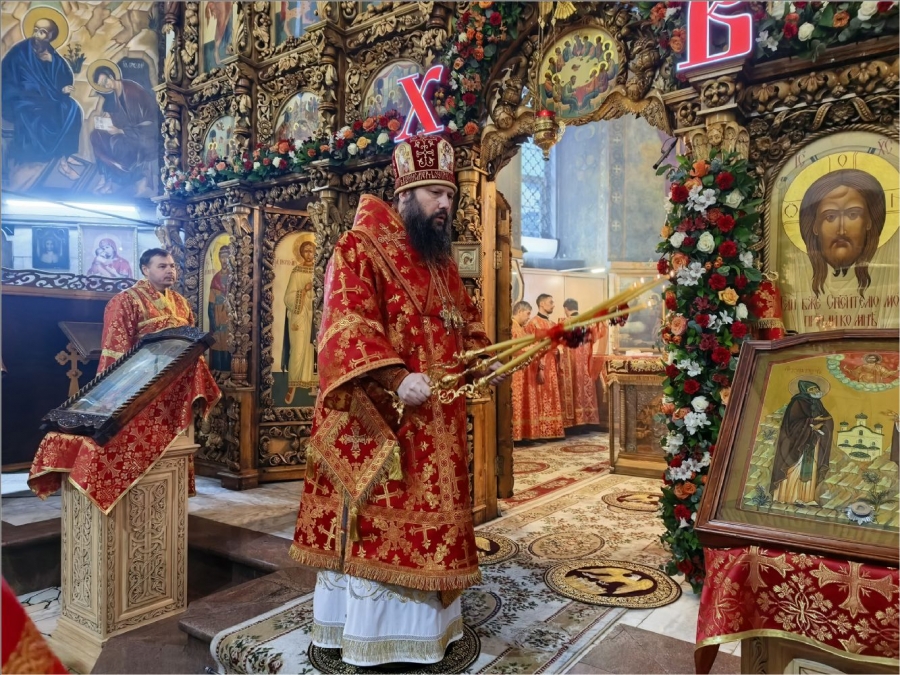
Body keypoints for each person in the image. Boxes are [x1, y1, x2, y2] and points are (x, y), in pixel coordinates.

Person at [290, 134, 502, 667]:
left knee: (434, 522)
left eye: (449, 195)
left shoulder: (440, 260)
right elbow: (345, 325)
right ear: (405, 194)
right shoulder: (360, 246)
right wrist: (394, 375)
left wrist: (485, 359)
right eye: (434, 193)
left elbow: (464, 322)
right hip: (384, 421)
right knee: (381, 526)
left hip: (438, 421)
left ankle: (429, 631)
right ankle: (369, 635)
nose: (444, 204)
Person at [1, 14, 83, 179]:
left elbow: (64, 77)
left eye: (43, 31)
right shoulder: (20, 52)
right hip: (23, 98)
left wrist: (62, 88)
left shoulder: (53, 56)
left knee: (73, 108)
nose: (37, 34)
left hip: (49, 97)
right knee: (41, 115)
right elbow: (7, 75)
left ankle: (65, 154)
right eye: (36, 30)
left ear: (51, 36)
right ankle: (60, 160)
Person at [98, 248, 194, 371]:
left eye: (172, 266)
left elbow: (191, 341)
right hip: (143, 372)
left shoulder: (181, 302)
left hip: (181, 369)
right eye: (162, 266)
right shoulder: (126, 300)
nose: (170, 271)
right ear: (145, 270)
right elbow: (117, 346)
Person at [798, 169, 886, 298]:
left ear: (869, 221)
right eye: (830, 217)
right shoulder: (800, 280)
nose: (841, 230)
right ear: (815, 226)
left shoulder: (886, 276)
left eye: (853, 214)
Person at [89, 64, 159, 194]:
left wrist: (120, 131)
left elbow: (143, 120)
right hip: (128, 132)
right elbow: (123, 117)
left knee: (118, 146)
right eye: (102, 85)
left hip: (143, 133)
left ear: (111, 76)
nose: (106, 85)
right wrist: (110, 117)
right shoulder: (116, 93)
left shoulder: (131, 91)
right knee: (96, 136)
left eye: (105, 81)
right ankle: (107, 178)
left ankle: (125, 178)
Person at [770, 380, 834, 506]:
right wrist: (811, 423)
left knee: (810, 469)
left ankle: (806, 498)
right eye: (811, 389)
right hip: (797, 443)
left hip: (812, 442)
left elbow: (827, 419)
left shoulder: (817, 403)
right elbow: (792, 424)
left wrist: (823, 424)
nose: (815, 391)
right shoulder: (798, 402)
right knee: (795, 468)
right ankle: (787, 497)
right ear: (804, 391)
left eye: (816, 388)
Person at [518, 294, 565, 440]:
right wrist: (541, 367)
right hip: (539, 365)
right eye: (551, 302)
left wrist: (558, 351)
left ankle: (553, 431)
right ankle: (540, 432)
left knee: (551, 396)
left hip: (552, 365)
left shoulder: (553, 324)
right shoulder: (533, 324)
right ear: (542, 304)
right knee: (539, 397)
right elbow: (531, 347)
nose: (553, 305)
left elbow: (557, 344)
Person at [283, 240, 316, 403]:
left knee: (313, 349)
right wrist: (304, 291)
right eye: (306, 251)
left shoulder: (319, 270)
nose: (309, 254)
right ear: (301, 253)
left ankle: (312, 384)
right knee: (297, 350)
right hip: (300, 315)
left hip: (314, 314)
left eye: (311, 251)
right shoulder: (296, 272)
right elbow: (288, 297)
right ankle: (292, 386)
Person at [558, 299, 600, 427]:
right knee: (585, 389)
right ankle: (586, 421)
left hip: (570, 364)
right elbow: (594, 339)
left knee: (572, 389)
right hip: (585, 363)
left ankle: (572, 423)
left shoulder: (564, 323)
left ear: (566, 309)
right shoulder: (588, 322)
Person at [207, 244, 232, 372]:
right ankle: (217, 372)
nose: (224, 260)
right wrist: (213, 323)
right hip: (217, 317)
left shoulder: (234, 277)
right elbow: (210, 305)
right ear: (219, 258)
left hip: (229, 317)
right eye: (222, 257)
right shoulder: (215, 279)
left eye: (227, 257)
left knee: (228, 344)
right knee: (217, 344)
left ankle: (228, 372)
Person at [511, 301, 532, 442]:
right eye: (527, 313)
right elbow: (513, 348)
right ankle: (514, 435)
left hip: (522, 370)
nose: (529, 317)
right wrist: (530, 349)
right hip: (514, 371)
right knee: (515, 401)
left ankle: (521, 435)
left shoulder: (520, 328)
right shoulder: (512, 327)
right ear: (519, 311)